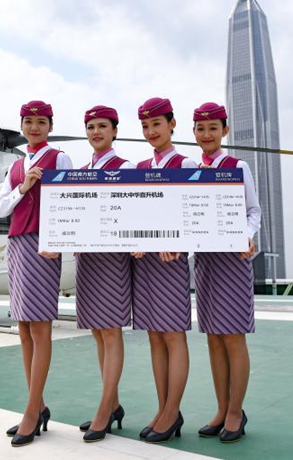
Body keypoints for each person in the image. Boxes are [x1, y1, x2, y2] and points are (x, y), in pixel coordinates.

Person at [0, 100, 73, 447]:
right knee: (24, 328)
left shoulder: (59, 159)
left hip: (44, 245)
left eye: (42, 122)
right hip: (16, 244)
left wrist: (59, 241)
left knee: (40, 327)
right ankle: (37, 405)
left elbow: (70, 203)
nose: (35, 127)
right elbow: (0, 208)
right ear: (23, 125)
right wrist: (23, 187)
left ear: (50, 125)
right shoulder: (14, 167)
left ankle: (31, 411)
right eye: (29, 122)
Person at [191, 102, 260, 443]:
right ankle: (221, 408)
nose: (207, 135)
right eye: (201, 129)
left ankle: (236, 411)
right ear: (193, 133)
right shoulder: (189, 170)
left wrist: (248, 235)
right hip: (205, 261)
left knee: (233, 337)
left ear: (224, 131)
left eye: (213, 129)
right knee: (213, 338)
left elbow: (253, 210)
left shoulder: (237, 166)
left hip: (232, 260)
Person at [131, 97, 198, 444]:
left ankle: (172, 411)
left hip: (170, 261)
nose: (150, 131)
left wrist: (178, 241)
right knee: (154, 336)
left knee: (173, 335)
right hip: (144, 261)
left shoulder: (185, 162)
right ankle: (163, 409)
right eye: (145, 126)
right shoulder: (139, 166)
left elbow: (194, 210)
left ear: (172, 124)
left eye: (156, 124)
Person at [74, 105, 135, 443]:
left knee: (111, 332)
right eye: (91, 127)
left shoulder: (125, 168)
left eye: (102, 126)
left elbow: (133, 211)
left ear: (115, 131)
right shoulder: (81, 171)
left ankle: (104, 409)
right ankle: (112, 403)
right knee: (98, 332)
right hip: (88, 260)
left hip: (112, 259)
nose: (96, 132)